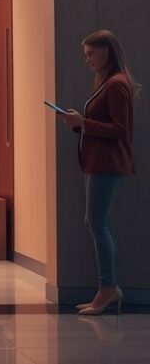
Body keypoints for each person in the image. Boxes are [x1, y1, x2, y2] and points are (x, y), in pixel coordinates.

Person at [59, 30, 138, 316]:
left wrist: (83, 123)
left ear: (107, 51)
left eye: (91, 54)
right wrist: (79, 124)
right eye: (86, 55)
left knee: (97, 224)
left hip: (107, 164)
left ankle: (108, 288)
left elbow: (120, 130)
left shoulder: (116, 84)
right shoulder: (109, 82)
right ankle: (106, 287)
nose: (87, 60)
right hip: (98, 163)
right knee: (96, 223)